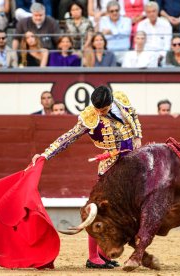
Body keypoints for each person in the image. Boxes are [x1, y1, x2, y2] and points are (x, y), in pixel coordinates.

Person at [31, 85, 142, 269]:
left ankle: (102, 253)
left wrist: (137, 135)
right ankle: (93, 257)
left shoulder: (121, 99)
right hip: (111, 166)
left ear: (111, 102)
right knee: (97, 210)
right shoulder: (90, 116)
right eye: (97, 109)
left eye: (104, 110)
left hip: (131, 164)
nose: (100, 113)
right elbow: (68, 137)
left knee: (125, 210)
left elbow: (134, 116)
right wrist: (45, 155)